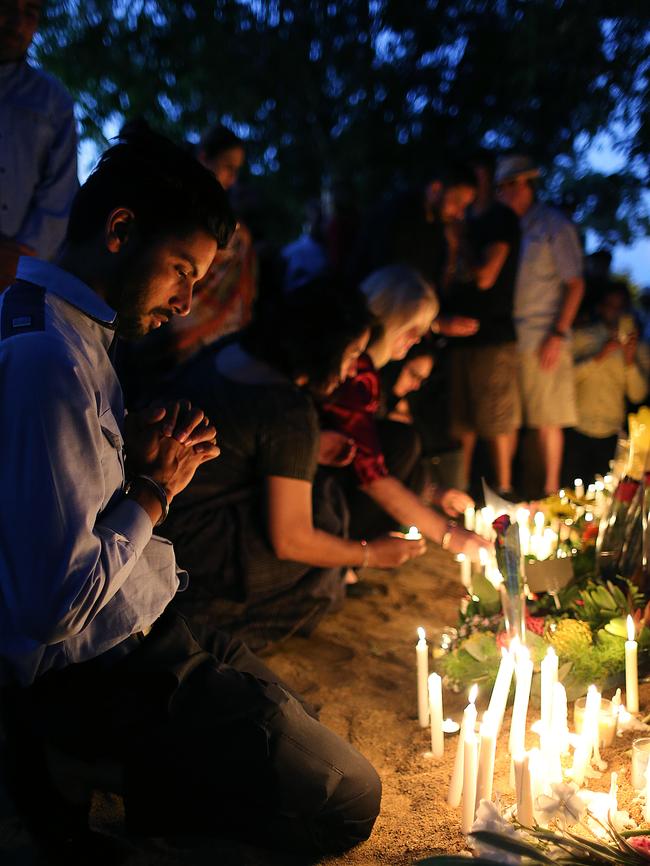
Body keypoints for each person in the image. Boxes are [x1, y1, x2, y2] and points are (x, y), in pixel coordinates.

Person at [0, 131, 381, 860]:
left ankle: (125, 768)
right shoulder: (49, 359)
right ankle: (81, 770)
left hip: (154, 617)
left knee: (305, 718)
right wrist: (152, 486)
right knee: (348, 800)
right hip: (103, 673)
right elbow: (49, 607)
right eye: (181, 271)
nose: (185, 302)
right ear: (120, 232)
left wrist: (127, 456)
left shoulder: (70, 331)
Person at [160, 280, 425, 650]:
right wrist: (371, 554)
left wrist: (308, 449)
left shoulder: (229, 350)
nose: (351, 372)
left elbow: (237, 438)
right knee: (325, 517)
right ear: (323, 346)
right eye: (350, 355)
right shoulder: (286, 408)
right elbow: (290, 539)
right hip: (199, 547)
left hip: (162, 519)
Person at [322, 265, 490, 561]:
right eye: (413, 328)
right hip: (320, 498)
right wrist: (451, 536)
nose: (417, 338)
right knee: (402, 438)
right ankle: (344, 557)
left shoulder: (370, 373)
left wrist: (436, 494)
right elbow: (369, 471)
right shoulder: (357, 375)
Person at [496, 154, 585, 496]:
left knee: (549, 418)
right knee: (507, 418)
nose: (503, 193)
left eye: (508, 186)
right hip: (508, 336)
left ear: (525, 185)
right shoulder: (505, 227)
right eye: (501, 187)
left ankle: (549, 494)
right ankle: (506, 491)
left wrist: (558, 333)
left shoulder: (553, 226)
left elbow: (575, 284)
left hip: (544, 333)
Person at [445, 150, 522, 498]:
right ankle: (460, 493)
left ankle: (504, 489)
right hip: (457, 337)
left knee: (496, 416)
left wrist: (460, 239)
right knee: (462, 419)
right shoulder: (460, 218)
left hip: (492, 333)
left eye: (480, 176)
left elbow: (486, 276)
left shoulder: (500, 220)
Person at [0, 0, 78, 289]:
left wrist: (20, 259)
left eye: (30, 12)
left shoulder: (53, 101)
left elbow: (61, 191)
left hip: (14, 273)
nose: (16, 22)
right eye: (8, 7)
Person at [564, 281, 649, 483]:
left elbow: (638, 395)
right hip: (576, 427)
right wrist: (599, 357)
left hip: (611, 433)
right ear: (601, 307)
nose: (616, 312)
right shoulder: (583, 337)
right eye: (611, 305)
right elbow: (566, 380)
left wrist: (629, 362)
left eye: (621, 307)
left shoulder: (639, 348)